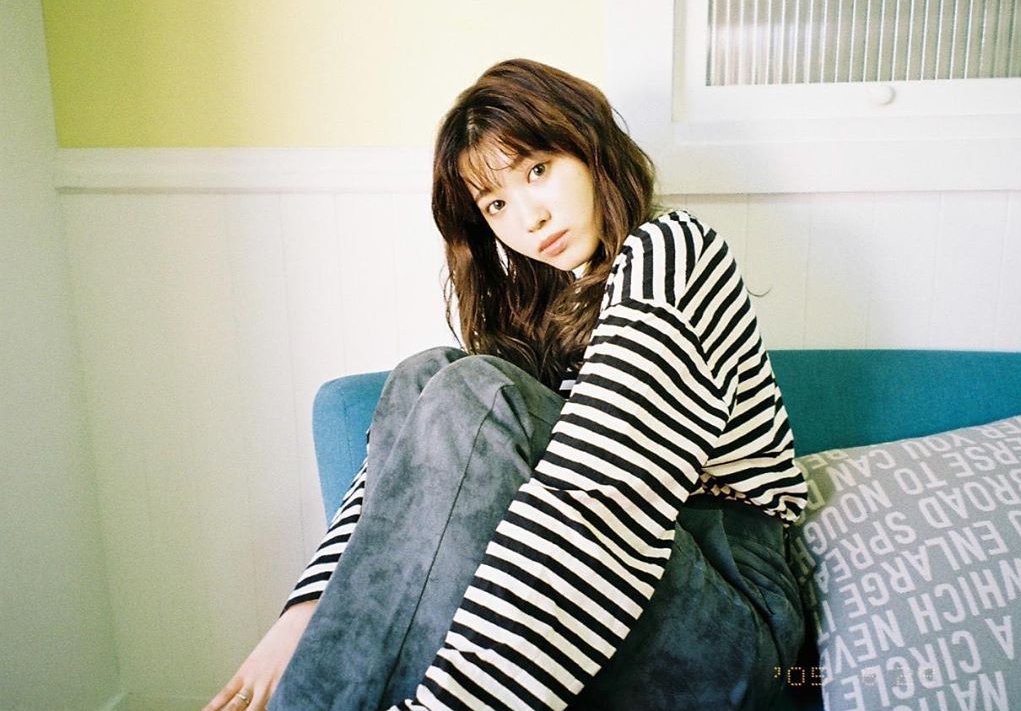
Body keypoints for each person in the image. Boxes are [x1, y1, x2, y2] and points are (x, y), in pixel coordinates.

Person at [204, 58, 809, 711]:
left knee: (474, 390)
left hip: (735, 623)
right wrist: (304, 616)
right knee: (428, 374)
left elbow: (601, 508)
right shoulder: (548, 308)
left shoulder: (673, 252)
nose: (528, 218)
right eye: (496, 203)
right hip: (628, 597)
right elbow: (396, 490)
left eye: (538, 170)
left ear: (592, 149)